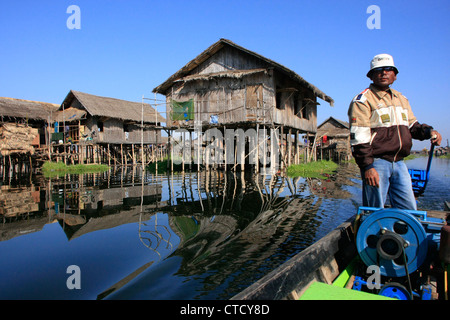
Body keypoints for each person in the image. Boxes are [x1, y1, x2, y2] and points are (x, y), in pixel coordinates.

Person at [348, 53, 442, 210]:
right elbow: (359, 138)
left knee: (410, 210)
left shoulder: (401, 99)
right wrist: (368, 167)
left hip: (399, 163)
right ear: (371, 76)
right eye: (378, 70)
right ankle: (375, 234)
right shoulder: (363, 100)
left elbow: (412, 126)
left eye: (388, 69)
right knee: (374, 210)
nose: (384, 73)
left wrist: (430, 132)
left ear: (395, 75)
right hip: (377, 163)